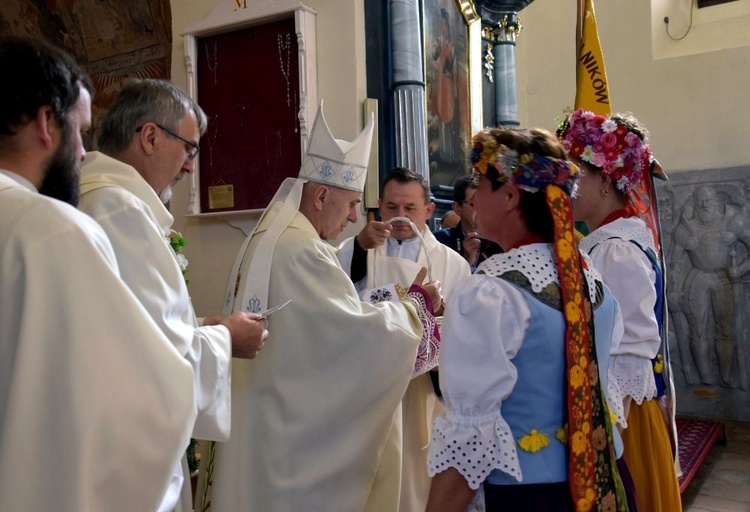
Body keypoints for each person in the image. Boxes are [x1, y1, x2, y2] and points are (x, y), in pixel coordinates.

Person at [199, 103, 443, 511]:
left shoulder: (269, 235)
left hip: (256, 417)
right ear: (322, 195)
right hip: (282, 438)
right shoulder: (305, 251)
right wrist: (417, 306)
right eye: (350, 205)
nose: (353, 218)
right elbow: (352, 341)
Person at [0, 37, 197, 511]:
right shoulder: (49, 230)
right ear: (47, 123)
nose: (86, 154)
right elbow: (135, 401)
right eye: (80, 132)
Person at [77, 78, 269, 512]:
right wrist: (227, 340)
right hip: (125, 453)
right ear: (149, 137)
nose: (190, 167)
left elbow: (130, 326)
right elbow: (152, 356)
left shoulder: (100, 199)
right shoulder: (118, 209)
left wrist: (206, 326)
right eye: (189, 149)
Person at [426, 127, 627, 511]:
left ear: (510, 195)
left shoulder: (489, 293)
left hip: (529, 498)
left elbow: (469, 440)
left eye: (479, 187)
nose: (473, 203)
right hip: (605, 483)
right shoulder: (591, 278)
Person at [561, 108, 682, 512]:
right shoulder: (607, 239)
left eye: (576, 175)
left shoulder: (616, 248)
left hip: (622, 414)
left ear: (607, 180)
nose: (566, 187)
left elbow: (627, 350)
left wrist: (601, 425)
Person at [337, 167, 471, 512]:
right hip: (372, 387)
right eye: (391, 207)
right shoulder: (356, 252)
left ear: (429, 210)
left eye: (409, 208)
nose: (399, 217)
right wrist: (356, 249)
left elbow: (465, 331)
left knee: (417, 476)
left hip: (424, 392)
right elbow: (337, 303)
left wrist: (438, 315)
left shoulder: (452, 264)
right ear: (378, 206)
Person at [672, 184, 750, 389]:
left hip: (724, 277)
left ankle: (725, 376)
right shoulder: (687, 227)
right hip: (697, 277)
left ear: (717, 201)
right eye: (700, 201)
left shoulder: (732, 221)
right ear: (695, 204)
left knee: (726, 329)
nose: (705, 205)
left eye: (708, 200)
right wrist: (672, 290)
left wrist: (740, 269)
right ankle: (705, 376)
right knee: (697, 329)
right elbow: (674, 263)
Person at [433, 174, 502, 270]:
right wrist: (465, 262)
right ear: (457, 208)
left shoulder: (500, 242)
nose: (482, 209)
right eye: (474, 203)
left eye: (485, 202)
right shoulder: (439, 242)